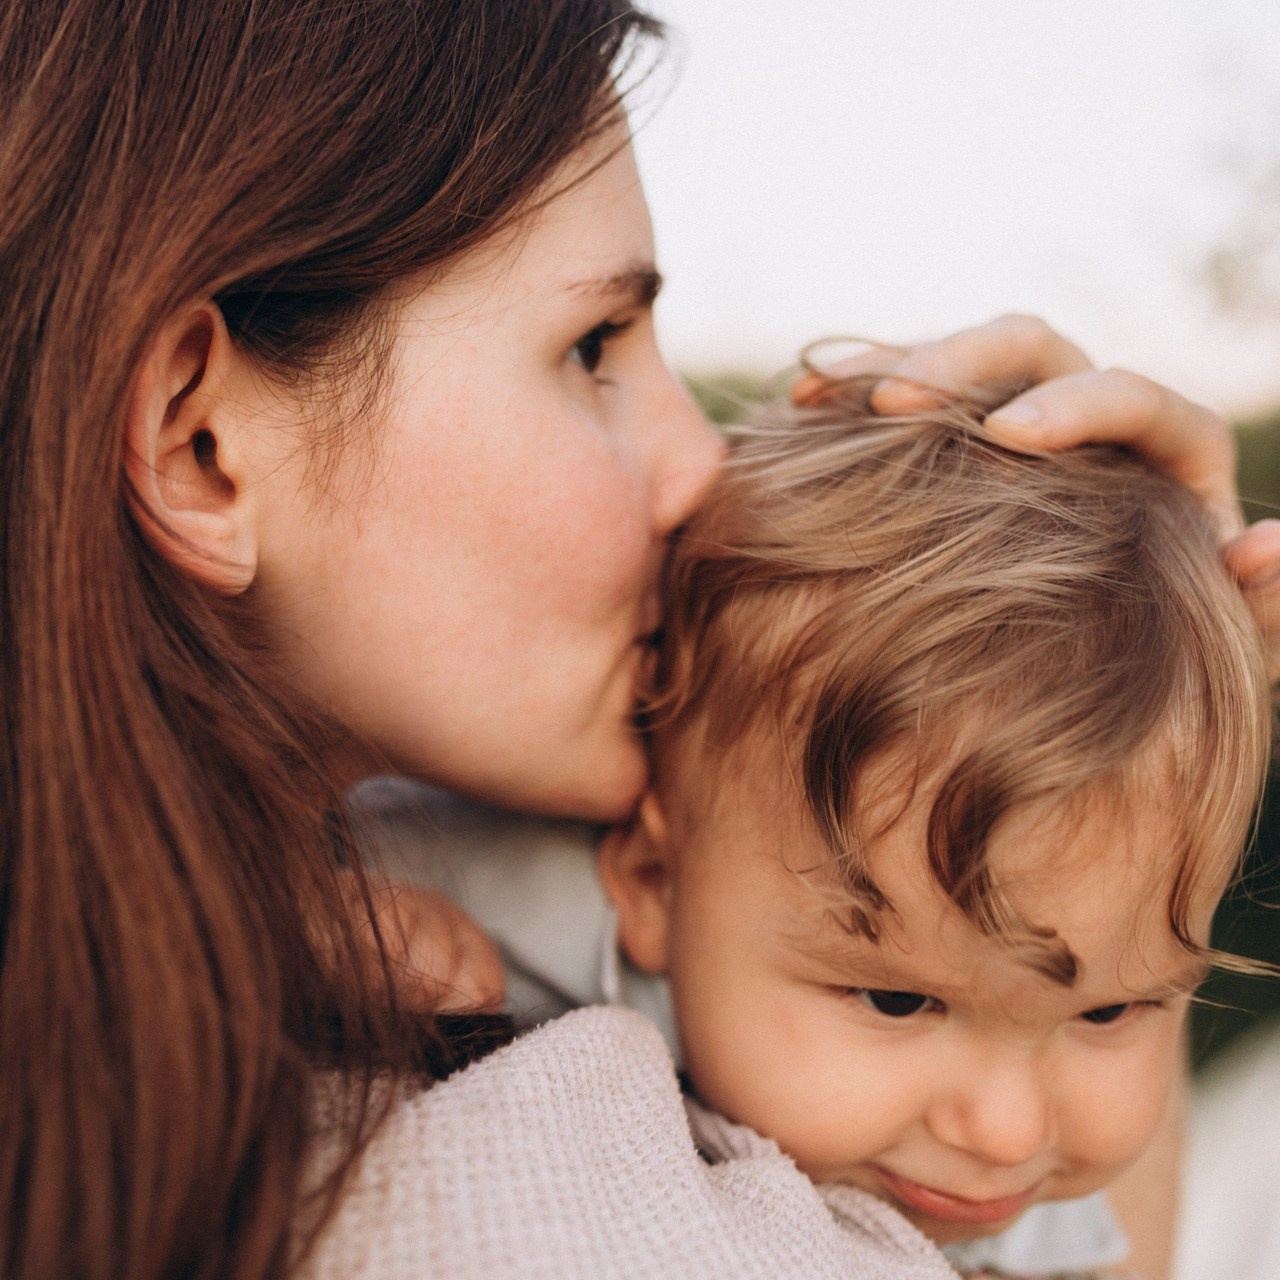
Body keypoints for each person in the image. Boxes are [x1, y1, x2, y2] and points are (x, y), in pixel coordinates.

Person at [5, 2, 1280, 1278]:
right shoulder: (538, 1167)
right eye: (592, 346)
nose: (700, 461)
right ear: (204, 449)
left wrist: (1139, 716)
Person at [361, 382, 1271, 1279]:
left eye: (1111, 1010)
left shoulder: (995, 1173)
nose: (1008, 1135)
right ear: (649, 882)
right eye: (897, 1001)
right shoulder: (485, 894)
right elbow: (246, 874)